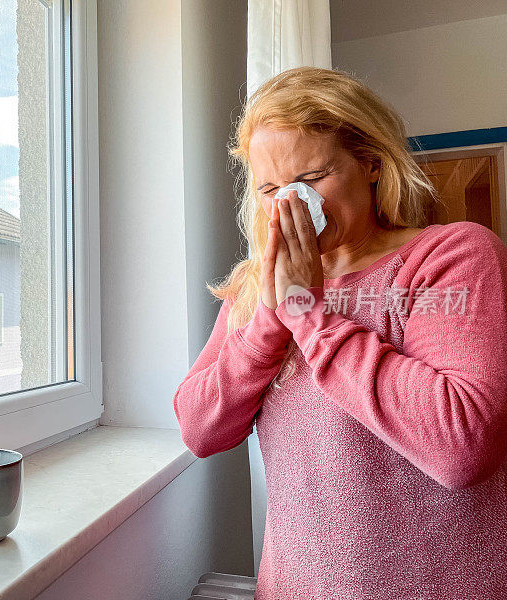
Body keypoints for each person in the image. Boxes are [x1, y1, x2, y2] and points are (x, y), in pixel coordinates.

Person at [172, 66, 507, 599]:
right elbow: (199, 429)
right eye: (270, 189)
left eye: (310, 180)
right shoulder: (257, 289)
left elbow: (461, 445)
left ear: (370, 163)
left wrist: (309, 315)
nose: (290, 205)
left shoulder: (448, 257)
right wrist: (269, 320)